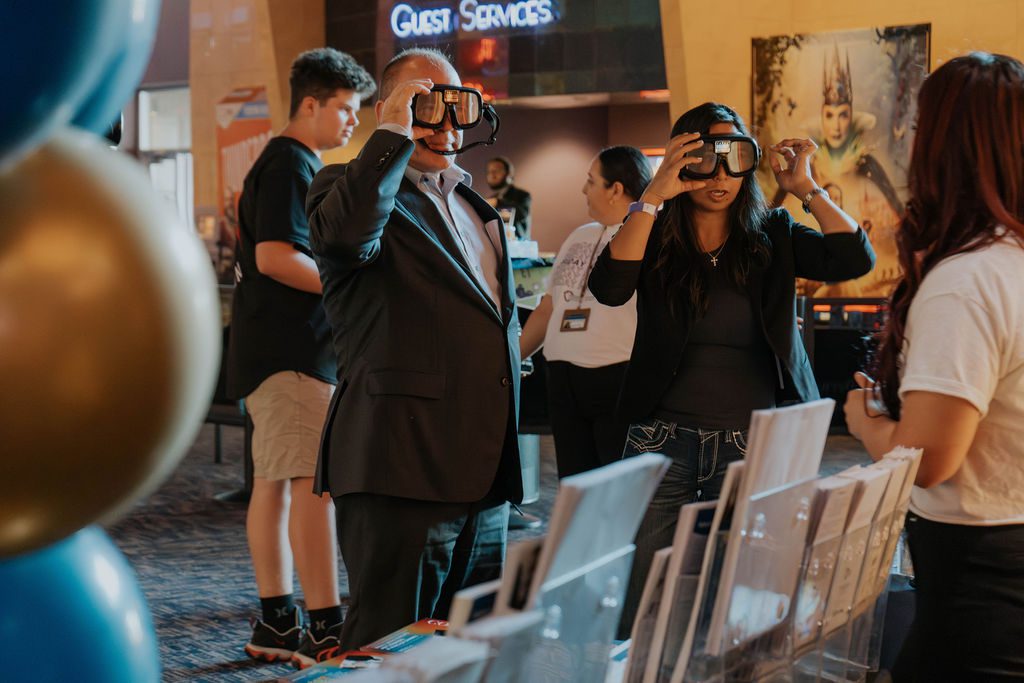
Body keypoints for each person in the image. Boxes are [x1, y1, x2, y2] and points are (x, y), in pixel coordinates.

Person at [588, 102, 875, 635]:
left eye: (735, 158)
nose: (720, 176)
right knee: (643, 599)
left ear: (749, 164)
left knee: (737, 602)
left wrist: (806, 186)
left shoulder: (774, 233)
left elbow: (855, 259)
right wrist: (651, 196)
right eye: (703, 159)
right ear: (680, 160)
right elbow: (608, 289)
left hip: (752, 445)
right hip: (660, 439)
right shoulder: (651, 232)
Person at [306, 47, 523, 651]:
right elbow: (348, 240)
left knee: (469, 644)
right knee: (388, 647)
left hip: (483, 474)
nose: (445, 122)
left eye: (456, 106)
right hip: (401, 467)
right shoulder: (347, 189)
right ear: (391, 109)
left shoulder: (475, 208)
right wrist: (393, 133)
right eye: (426, 104)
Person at [843, 52, 1024, 680]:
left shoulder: (970, 280)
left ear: (945, 144)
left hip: (984, 582)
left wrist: (866, 423)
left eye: (919, 126)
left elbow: (929, 458)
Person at [225, 47, 375, 668]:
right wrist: (351, 287)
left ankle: (278, 621)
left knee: (276, 487)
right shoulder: (291, 161)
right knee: (313, 489)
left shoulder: (283, 160)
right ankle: (322, 626)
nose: (351, 123)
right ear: (310, 104)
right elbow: (275, 257)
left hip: (275, 352)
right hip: (292, 355)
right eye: (345, 109)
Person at [519, 146, 652, 477]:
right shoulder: (579, 235)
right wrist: (508, 358)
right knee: (574, 484)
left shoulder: (649, 237)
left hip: (616, 375)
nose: (583, 189)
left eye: (591, 181)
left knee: (614, 486)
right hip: (563, 376)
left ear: (615, 190)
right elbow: (549, 307)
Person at [485, 155, 532, 239]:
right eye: (489, 172)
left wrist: (498, 202)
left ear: (509, 174)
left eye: (496, 171)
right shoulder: (493, 198)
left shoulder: (523, 195)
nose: (492, 175)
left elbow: (522, 213)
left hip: (518, 246)